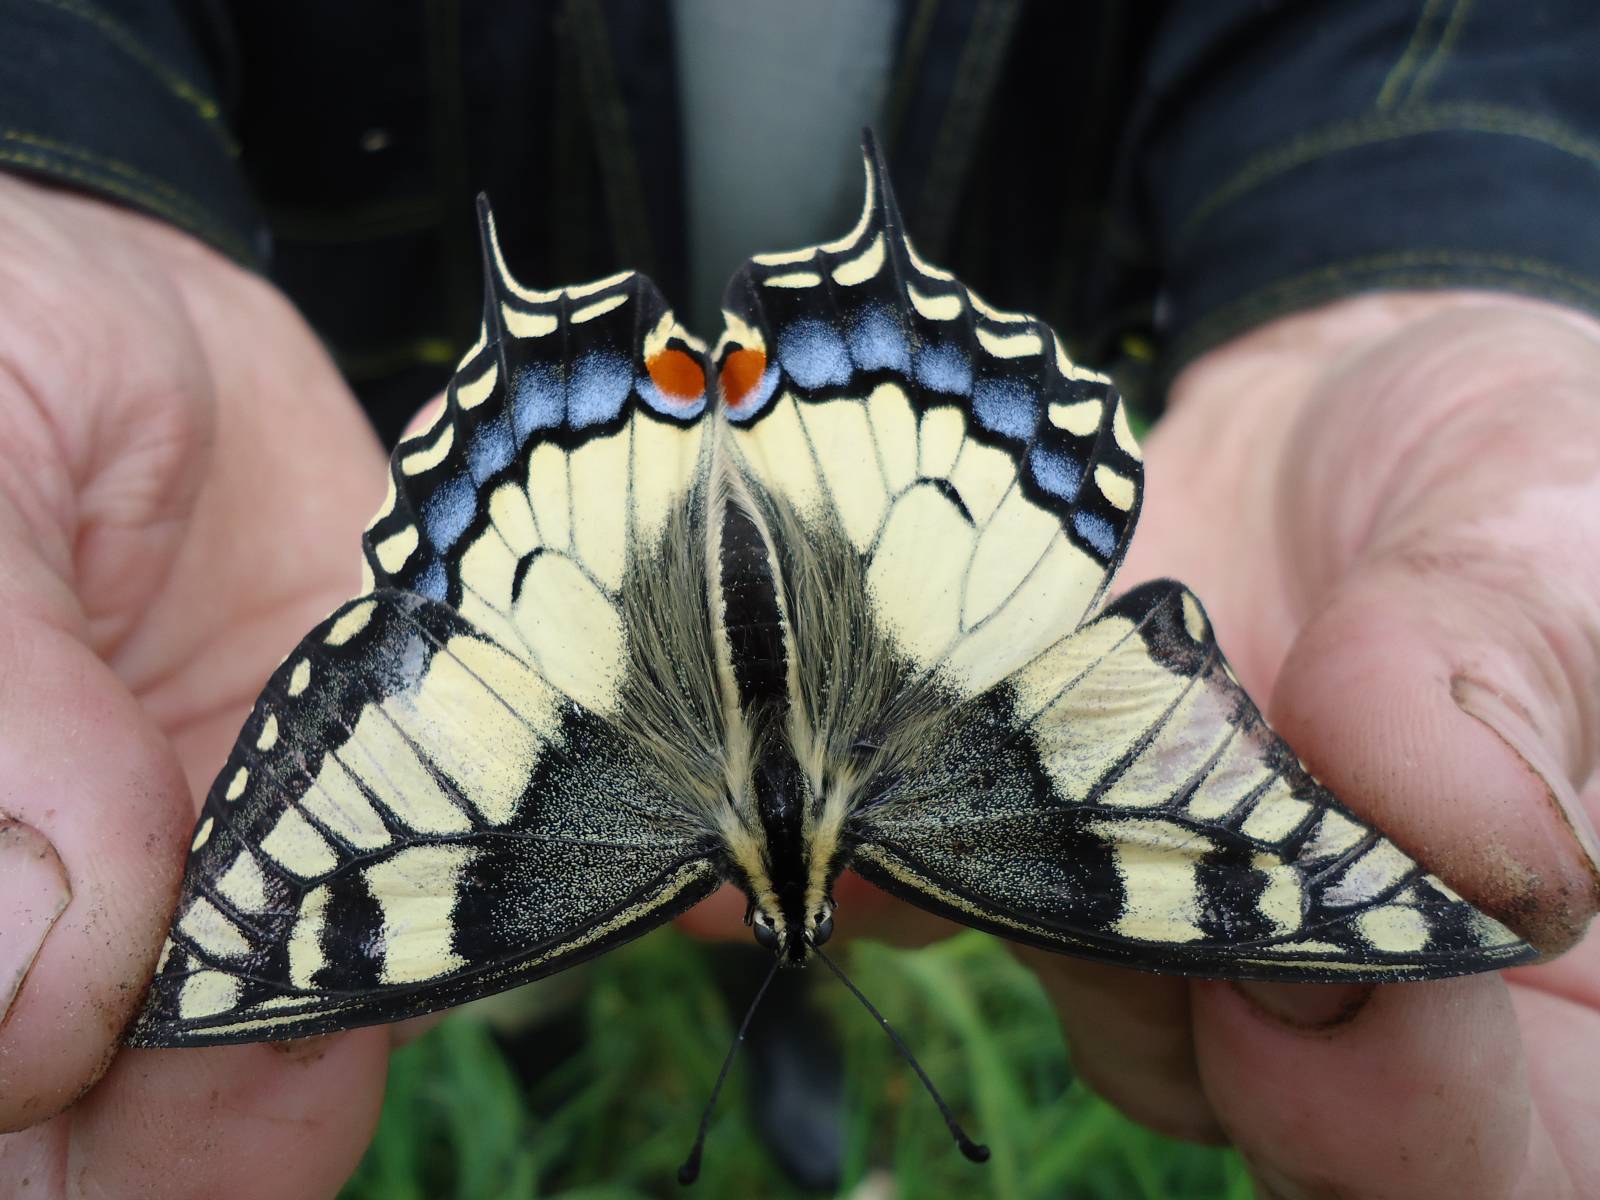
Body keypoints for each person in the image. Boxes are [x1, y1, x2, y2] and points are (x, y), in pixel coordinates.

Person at [1, 3, 1595, 1197]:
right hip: (851, 496)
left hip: (582, 539)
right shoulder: (964, 835)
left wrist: (1422, 230)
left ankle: (715, 1012)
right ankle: (607, 1006)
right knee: (638, 927)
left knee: (562, 920)